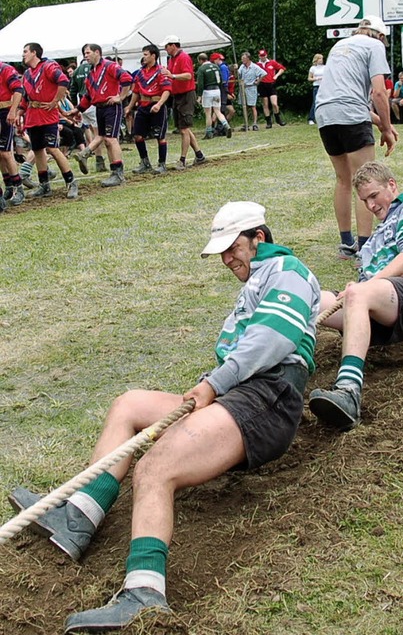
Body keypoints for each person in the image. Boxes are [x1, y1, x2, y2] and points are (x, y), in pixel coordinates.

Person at [9, 200, 321, 633]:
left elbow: (271, 340)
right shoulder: (259, 279)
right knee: (129, 405)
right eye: (222, 252)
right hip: (240, 393)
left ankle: (144, 593)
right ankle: (78, 516)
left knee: (155, 467)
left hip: (267, 397)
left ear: (259, 239)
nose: (227, 259)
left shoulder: (288, 271)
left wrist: (214, 384)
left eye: (233, 248)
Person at [308, 161, 403, 431]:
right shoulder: (372, 240)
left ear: (391, 185)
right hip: (383, 307)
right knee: (309, 298)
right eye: (364, 200)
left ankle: (348, 392)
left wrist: (363, 289)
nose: (370, 206)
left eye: (374, 196)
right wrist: (359, 288)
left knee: (358, 293)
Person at [314, 15, 399, 261]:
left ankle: (346, 243)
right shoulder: (375, 46)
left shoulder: (339, 46)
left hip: (325, 114)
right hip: (350, 113)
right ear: (380, 35)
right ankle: (365, 246)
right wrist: (386, 127)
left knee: (343, 180)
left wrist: (381, 124)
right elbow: (379, 93)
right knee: (368, 180)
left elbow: (343, 99)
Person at [17, 42, 78, 199]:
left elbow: (63, 81)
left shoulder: (48, 66)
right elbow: (25, 97)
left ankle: (71, 182)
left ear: (34, 53)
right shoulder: (27, 74)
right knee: (37, 150)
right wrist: (19, 113)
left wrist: (54, 101)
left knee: (52, 148)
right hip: (33, 116)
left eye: (25, 51)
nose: (23, 54)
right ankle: (44, 185)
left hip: (48, 115)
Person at [67, 44, 132, 188]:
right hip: (99, 108)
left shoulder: (110, 66)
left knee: (110, 139)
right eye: (84, 53)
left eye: (88, 52)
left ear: (97, 52)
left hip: (111, 107)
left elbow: (127, 78)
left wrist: (120, 97)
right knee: (104, 138)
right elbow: (89, 96)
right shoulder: (91, 72)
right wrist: (77, 109)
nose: (85, 56)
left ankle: (118, 174)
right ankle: (113, 172)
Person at [124, 44, 172, 176]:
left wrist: (160, 104)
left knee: (160, 136)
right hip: (142, 106)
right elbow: (136, 91)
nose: (143, 57)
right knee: (137, 135)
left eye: (145, 54)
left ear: (153, 56)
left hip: (157, 105)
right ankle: (144, 162)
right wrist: (130, 106)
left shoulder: (161, 71)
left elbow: (167, 90)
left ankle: (162, 164)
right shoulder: (140, 73)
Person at [160, 35, 206, 170]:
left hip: (186, 95)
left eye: (166, 46)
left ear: (173, 45)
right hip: (178, 95)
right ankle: (199, 155)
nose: (165, 49)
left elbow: (188, 75)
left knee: (184, 129)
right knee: (183, 127)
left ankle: (182, 160)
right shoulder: (172, 59)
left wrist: (172, 75)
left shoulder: (183, 57)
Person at [69, 53, 107, 173]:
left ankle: (98, 160)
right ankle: (97, 160)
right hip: (94, 102)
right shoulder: (95, 68)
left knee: (90, 132)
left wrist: (76, 107)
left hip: (82, 104)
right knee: (100, 134)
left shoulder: (76, 72)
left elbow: (73, 90)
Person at [0, 60, 25, 210]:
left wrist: (13, 110)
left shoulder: (5, 69)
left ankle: (18, 187)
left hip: (4, 111)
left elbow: (18, 89)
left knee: (5, 152)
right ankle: (8, 185)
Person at [196, 53, 231, 140]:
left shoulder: (201, 69)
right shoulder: (216, 67)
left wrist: (199, 96)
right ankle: (226, 125)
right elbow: (221, 80)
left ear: (200, 60)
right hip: (217, 90)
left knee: (208, 113)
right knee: (218, 111)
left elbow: (200, 84)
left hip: (208, 91)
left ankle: (209, 132)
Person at [256, 49, 286, 128]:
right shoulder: (257, 65)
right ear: (259, 56)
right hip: (262, 85)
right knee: (265, 104)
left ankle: (277, 118)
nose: (263, 57)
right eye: (261, 56)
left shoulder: (272, 62)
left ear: (266, 55)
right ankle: (268, 122)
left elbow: (282, 69)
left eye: (264, 55)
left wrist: (276, 76)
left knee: (274, 104)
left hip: (271, 84)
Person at [237, 52, 267, 131]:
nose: (242, 60)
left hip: (251, 87)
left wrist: (258, 81)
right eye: (242, 58)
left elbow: (264, 73)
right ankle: (246, 123)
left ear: (248, 58)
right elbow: (238, 74)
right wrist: (235, 69)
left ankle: (255, 123)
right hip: (243, 88)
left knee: (253, 106)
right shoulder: (242, 67)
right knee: (245, 107)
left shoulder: (254, 67)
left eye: (244, 58)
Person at [211, 53, 235, 134]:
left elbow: (224, 81)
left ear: (217, 59)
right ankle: (220, 128)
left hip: (222, 91)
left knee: (221, 109)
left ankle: (220, 128)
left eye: (214, 60)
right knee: (220, 108)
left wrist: (226, 91)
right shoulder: (222, 67)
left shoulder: (222, 67)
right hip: (222, 90)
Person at [307, 53, 324, 125]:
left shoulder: (325, 67)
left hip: (324, 86)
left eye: (322, 59)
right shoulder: (313, 68)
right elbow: (309, 78)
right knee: (315, 102)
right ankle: (311, 118)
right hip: (316, 86)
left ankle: (322, 118)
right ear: (316, 60)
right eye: (320, 59)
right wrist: (316, 78)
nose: (321, 60)